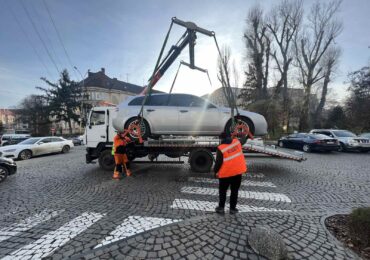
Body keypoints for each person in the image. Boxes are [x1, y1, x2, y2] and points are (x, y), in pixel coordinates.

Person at [214, 132, 247, 214]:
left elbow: (218, 162)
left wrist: (215, 171)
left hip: (226, 173)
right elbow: (244, 138)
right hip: (237, 172)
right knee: (234, 191)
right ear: (229, 136)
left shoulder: (221, 148)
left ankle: (221, 208)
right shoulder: (236, 142)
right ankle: (233, 209)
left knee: (222, 191)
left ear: (221, 139)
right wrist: (238, 134)